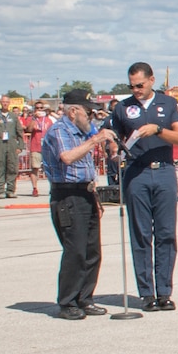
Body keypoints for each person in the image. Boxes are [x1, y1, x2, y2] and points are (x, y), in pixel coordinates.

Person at [108, 63, 178, 310]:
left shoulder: (168, 104)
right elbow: (111, 136)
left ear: (151, 80)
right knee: (140, 234)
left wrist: (158, 130)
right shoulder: (123, 107)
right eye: (132, 86)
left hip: (163, 170)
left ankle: (164, 291)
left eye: (140, 85)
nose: (136, 90)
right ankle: (146, 293)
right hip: (136, 172)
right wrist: (111, 149)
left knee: (165, 234)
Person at [41, 90, 113, 319]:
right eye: (88, 112)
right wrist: (94, 141)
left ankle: (85, 297)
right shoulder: (60, 130)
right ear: (74, 111)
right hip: (67, 195)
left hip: (86, 193)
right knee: (76, 251)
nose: (91, 117)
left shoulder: (83, 131)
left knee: (92, 251)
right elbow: (67, 157)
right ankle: (68, 301)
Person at [0, 95, 21, 198]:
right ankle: (0, 190)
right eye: (3, 102)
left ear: (9, 103)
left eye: (7, 102)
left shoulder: (13, 116)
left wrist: (20, 146)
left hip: (11, 143)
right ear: (0, 103)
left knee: (12, 166)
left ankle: (10, 190)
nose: (5, 104)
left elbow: (19, 131)